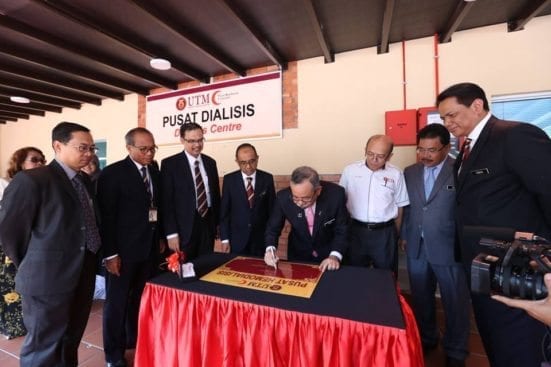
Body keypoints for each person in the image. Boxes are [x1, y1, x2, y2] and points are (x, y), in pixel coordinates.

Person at [436, 82, 551, 367]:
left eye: (452, 115)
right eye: (443, 118)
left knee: (521, 346)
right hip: (484, 267)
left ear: (477, 105)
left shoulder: (514, 136)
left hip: (518, 265)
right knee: (495, 340)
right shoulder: (464, 151)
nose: (447, 123)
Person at [0, 122, 101, 366]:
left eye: (92, 148)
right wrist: (34, 262)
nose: (88, 154)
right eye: (82, 147)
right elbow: (10, 232)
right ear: (58, 145)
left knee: (71, 338)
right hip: (46, 277)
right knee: (44, 345)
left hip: (82, 271)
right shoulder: (32, 180)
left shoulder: (84, 181)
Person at [401, 124, 470, 367]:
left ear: (446, 147)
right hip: (416, 247)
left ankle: (456, 351)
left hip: (449, 247)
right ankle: (427, 338)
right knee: (421, 298)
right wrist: (405, 235)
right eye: (421, 149)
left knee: (455, 301)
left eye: (432, 150)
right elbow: (408, 208)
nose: (425, 155)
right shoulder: (409, 172)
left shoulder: (461, 169)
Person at [97, 127, 163, 367]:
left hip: (149, 249)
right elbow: (106, 218)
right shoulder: (113, 174)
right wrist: (111, 254)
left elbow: (156, 208)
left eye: (152, 148)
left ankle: (133, 340)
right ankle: (113, 354)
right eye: (143, 149)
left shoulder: (154, 172)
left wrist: (161, 237)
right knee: (116, 304)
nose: (149, 153)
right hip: (122, 253)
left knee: (139, 300)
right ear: (129, 148)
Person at [339, 135, 409, 271]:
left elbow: (401, 206)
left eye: (380, 156)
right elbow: (341, 201)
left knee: (387, 275)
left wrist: (396, 234)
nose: (374, 159)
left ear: (389, 156)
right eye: (370, 153)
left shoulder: (396, 174)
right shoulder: (350, 171)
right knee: (354, 273)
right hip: (356, 231)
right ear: (365, 150)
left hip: (385, 233)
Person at [264, 166, 348, 272]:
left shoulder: (336, 195)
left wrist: (334, 256)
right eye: (295, 198)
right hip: (299, 253)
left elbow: (342, 229)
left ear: (318, 191)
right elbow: (273, 228)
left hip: (328, 255)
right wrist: (270, 250)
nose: (299, 203)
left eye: (305, 198)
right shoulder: (283, 197)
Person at [0, 146, 46, 339]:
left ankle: (28, 323)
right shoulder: (7, 184)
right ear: (20, 164)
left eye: (42, 160)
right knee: (11, 288)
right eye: (34, 160)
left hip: (32, 245)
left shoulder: (43, 184)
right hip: (11, 246)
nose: (40, 164)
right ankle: (13, 326)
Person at [161, 122, 220, 259]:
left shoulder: (211, 163)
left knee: (206, 266)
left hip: (207, 224)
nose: (197, 145)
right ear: (182, 140)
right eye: (192, 141)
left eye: (200, 140)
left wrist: (217, 225)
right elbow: (166, 203)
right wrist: (171, 233)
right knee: (184, 270)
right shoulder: (170, 164)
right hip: (183, 229)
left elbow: (216, 195)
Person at [220, 143, 275, 256]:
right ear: (237, 162)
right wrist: (225, 239)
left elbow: (272, 212)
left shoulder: (267, 179)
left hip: (261, 240)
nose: (248, 166)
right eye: (243, 163)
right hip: (237, 240)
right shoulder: (229, 180)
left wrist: (271, 241)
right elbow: (224, 212)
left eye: (252, 161)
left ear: (257, 158)